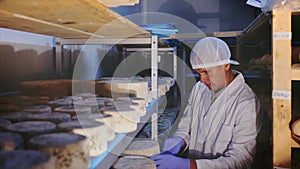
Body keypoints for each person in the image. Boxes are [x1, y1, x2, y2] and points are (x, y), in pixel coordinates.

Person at [150, 37, 261, 169]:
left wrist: (187, 165)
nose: (202, 79)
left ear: (226, 65)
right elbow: (187, 126)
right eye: (198, 73)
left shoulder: (246, 103)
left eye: (206, 72)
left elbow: (241, 160)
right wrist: (180, 140)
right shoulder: (199, 89)